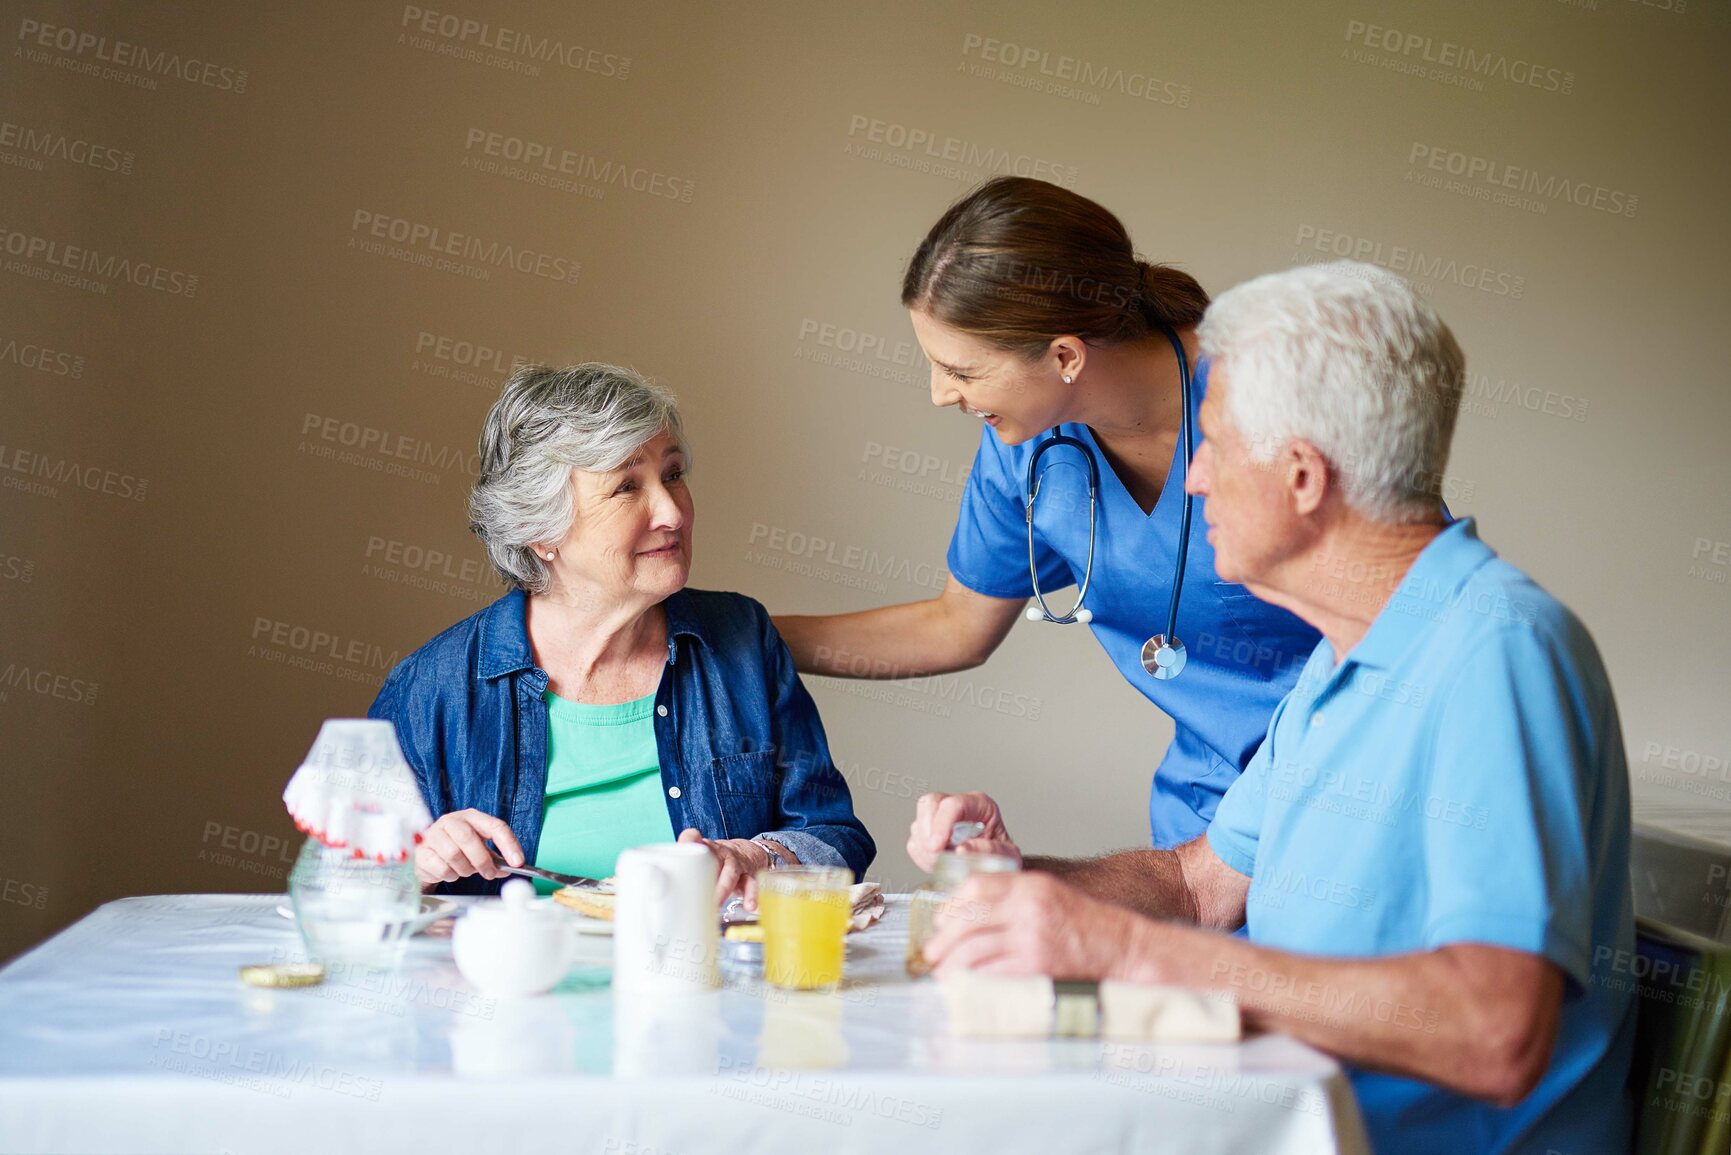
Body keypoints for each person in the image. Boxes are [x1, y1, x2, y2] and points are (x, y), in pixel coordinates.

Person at [916, 262, 1635, 1154]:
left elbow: (1494, 1028)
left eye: (1211, 446)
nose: (1192, 479)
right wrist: (1014, 879)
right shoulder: (1339, 663)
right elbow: (1197, 884)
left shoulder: (1496, 651)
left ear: (1301, 476)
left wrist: (1127, 952)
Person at [775, 177, 1320, 852]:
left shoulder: (1280, 401)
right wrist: (736, 634)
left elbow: (1407, 615)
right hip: (1205, 818)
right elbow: (955, 627)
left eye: (962, 371)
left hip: (1348, 793)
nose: (941, 394)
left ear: (1064, 354)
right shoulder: (1030, 447)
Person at [369, 363, 875, 904]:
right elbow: (340, 888)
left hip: (709, 980)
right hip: (514, 986)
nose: (672, 513)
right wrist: (413, 864)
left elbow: (837, 839)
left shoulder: (743, 640)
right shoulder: (432, 688)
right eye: (626, 486)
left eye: (674, 474)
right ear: (541, 529)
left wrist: (760, 856)